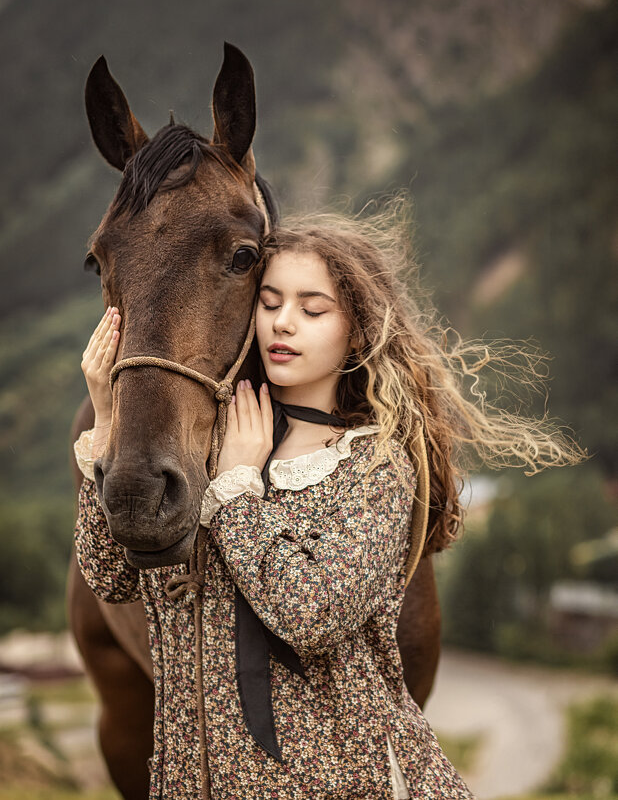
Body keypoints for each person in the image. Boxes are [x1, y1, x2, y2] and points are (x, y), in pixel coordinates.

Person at [74, 206, 585, 799]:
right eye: (269, 303)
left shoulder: (374, 467)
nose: (283, 324)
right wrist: (109, 423)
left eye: (312, 309)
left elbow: (312, 616)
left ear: (356, 328)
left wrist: (240, 489)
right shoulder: (199, 459)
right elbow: (109, 577)